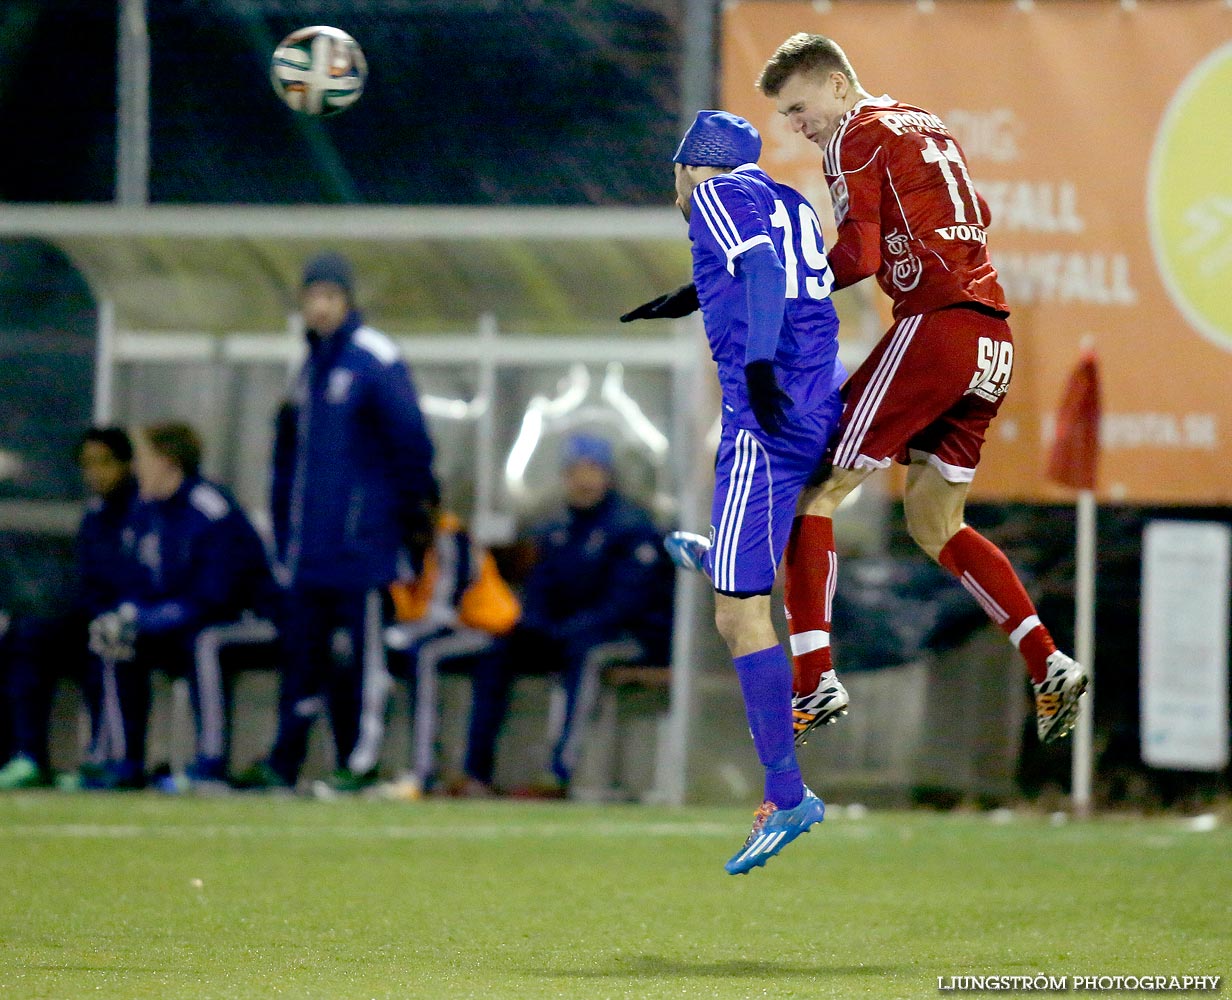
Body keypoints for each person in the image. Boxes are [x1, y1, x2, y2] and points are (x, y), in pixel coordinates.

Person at [635, 111, 847, 874]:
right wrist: (694, 295)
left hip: (768, 411)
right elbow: (779, 271)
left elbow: (759, 273)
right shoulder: (786, 198)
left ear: (695, 165)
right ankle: (727, 553)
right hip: (817, 399)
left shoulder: (716, 194)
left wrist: (756, 365)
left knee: (736, 615)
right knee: (749, 561)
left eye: (676, 170)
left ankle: (788, 795)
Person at [239, 251, 437, 793]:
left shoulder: (375, 358)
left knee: (366, 660)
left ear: (347, 302)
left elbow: (411, 444)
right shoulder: (306, 368)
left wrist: (408, 517)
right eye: (312, 297)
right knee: (302, 660)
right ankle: (285, 762)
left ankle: (361, 759)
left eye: (330, 297)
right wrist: (283, 533)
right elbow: (287, 462)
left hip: (362, 547)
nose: (320, 308)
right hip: (309, 551)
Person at [83, 422, 278, 791]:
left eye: (143, 458)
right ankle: (121, 760)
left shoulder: (209, 509)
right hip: (177, 622)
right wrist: (129, 613)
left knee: (205, 642)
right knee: (111, 638)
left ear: (168, 462)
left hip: (243, 620)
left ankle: (210, 762)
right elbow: (133, 575)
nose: (137, 468)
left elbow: (218, 595)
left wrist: (152, 617)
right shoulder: (146, 510)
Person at [481, 432, 674, 799]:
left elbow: (627, 603)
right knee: (500, 649)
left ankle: (559, 771)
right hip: (568, 632)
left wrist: (570, 630)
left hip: (634, 637)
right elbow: (540, 589)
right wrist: (536, 626)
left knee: (587, 655)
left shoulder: (632, 526)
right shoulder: (555, 527)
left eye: (592, 470)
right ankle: (477, 773)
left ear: (608, 475)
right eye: (575, 471)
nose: (583, 480)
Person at [0, 427, 137, 790]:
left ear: (127, 464)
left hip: (134, 620)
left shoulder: (144, 511)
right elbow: (87, 581)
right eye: (88, 465)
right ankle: (27, 756)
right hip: (95, 615)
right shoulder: (95, 515)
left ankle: (107, 760)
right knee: (27, 635)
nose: (95, 473)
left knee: (107, 643)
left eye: (104, 463)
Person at [383, 510, 521, 797]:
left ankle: (424, 770)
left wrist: (401, 634)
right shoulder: (392, 536)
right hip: (449, 626)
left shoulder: (450, 537)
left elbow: (445, 608)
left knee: (426, 655)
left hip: (488, 625)